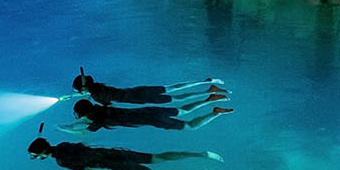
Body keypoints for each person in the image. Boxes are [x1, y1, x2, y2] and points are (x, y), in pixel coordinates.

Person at [27, 137, 222, 170]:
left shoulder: (62, 161)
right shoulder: (63, 145)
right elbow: (85, 143)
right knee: (158, 157)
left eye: (36, 155)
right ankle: (201, 154)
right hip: (116, 153)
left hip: (114, 165)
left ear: (42, 152)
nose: (37, 158)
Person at [63, 96, 233, 133]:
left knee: (189, 126)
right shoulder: (103, 107)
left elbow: (83, 130)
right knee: (183, 110)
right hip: (147, 111)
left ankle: (215, 113)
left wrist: (63, 128)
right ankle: (209, 99)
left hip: (151, 119)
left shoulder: (98, 120)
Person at [71, 70, 228, 107]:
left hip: (139, 98)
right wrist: (88, 94)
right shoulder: (99, 87)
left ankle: (209, 92)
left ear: (83, 89)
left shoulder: (96, 96)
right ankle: (205, 82)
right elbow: (103, 94)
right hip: (137, 90)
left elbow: (109, 104)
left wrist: (89, 97)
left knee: (178, 99)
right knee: (172, 88)